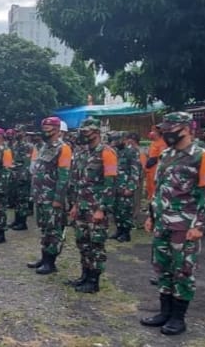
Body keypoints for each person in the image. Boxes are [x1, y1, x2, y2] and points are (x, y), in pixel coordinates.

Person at [140, 112, 205, 336]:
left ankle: (178, 317)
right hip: (163, 222)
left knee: (183, 270)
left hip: (185, 224)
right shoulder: (166, 155)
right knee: (162, 268)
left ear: (185, 128)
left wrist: (199, 225)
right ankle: (164, 311)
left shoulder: (203, 156)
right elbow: (158, 189)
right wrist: (151, 216)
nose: (166, 132)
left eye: (170, 128)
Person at [66, 118, 118, 293]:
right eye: (83, 131)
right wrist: (74, 205)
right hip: (81, 206)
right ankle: (84, 275)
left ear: (96, 132)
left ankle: (94, 280)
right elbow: (77, 182)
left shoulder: (107, 152)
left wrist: (101, 209)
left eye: (87, 131)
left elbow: (110, 184)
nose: (83, 134)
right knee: (83, 243)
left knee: (96, 245)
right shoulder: (81, 153)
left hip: (96, 208)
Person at [26, 116, 73, 275]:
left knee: (53, 230)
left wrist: (58, 199)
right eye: (44, 129)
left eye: (48, 130)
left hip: (52, 197)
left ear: (58, 130)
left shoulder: (63, 148)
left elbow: (64, 177)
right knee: (45, 228)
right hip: (41, 196)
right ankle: (44, 257)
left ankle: (50, 263)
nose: (45, 132)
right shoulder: (44, 147)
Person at [111, 132, 142, 242]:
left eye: (116, 140)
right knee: (116, 209)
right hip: (115, 186)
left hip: (126, 186)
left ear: (123, 140)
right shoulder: (115, 152)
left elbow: (135, 170)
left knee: (125, 210)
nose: (114, 143)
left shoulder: (131, 152)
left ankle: (126, 232)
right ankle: (119, 230)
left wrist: (131, 187)